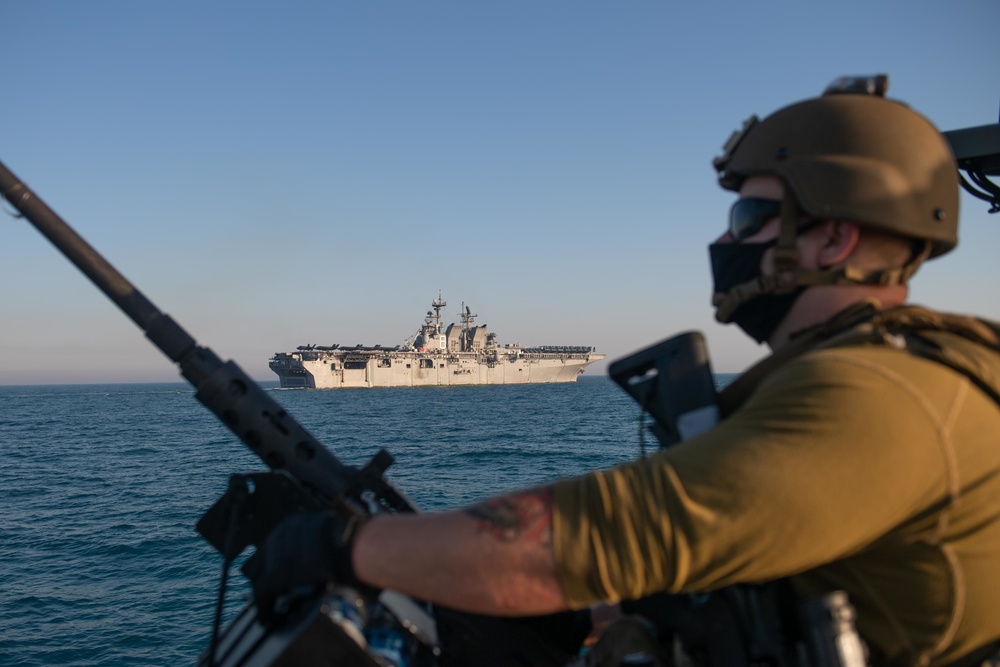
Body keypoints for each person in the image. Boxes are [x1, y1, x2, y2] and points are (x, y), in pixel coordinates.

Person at [250, 76, 1000, 666]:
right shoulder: (880, 369)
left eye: (747, 221)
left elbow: (612, 533)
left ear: (834, 237)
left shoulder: (880, 393)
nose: (722, 240)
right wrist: (590, 613)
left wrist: (342, 546)